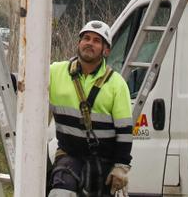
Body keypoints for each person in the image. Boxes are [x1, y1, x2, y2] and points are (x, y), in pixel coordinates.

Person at [48, 20, 133, 196]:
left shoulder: (117, 84)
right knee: (60, 192)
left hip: (103, 162)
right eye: (86, 38)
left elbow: (125, 131)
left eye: (96, 40)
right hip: (69, 156)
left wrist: (121, 167)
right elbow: (26, 79)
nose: (89, 43)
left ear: (106, 50)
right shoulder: (56, 72)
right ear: (79, 43)